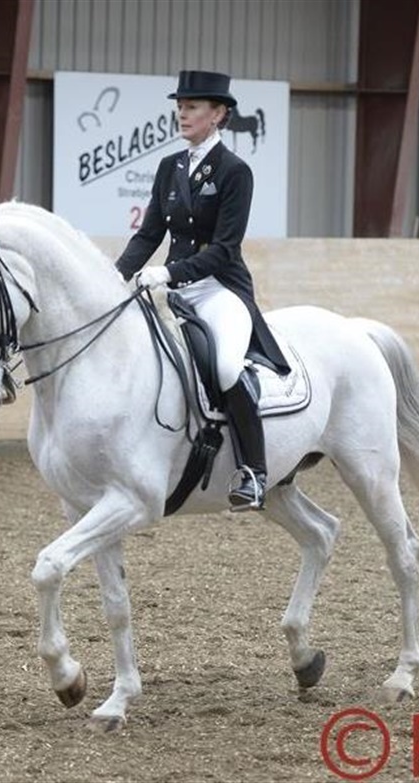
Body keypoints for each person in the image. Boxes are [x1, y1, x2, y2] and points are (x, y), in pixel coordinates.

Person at [116, 69, 289, 512]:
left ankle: (253, 471)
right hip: (173, 289)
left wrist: (168, 273)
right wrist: (113, 280)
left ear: (218, 114)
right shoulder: (169, 167)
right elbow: (148, 235)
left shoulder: (235, 171)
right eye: (179, 107)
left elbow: (225, 249)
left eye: (191, 107)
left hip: (218, 289)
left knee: (227, 367)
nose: (182, 114)